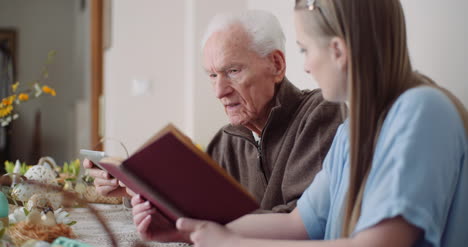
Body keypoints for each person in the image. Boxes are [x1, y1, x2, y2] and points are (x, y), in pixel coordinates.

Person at [134, 0, 468, 246]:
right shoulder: (352, 132)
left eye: (304, 49)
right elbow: (299, 224)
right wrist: (186, 228)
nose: (305, 66)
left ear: (338, 51)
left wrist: (229, 242)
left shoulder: (422, 111)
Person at [85, 10, 343, 240]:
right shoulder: (226, 140)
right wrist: (135, 190)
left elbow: (303, 223)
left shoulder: (320, 114)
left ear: (276, 65)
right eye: (212, 74)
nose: (219, 91)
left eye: (233, 71)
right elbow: (195, 209)